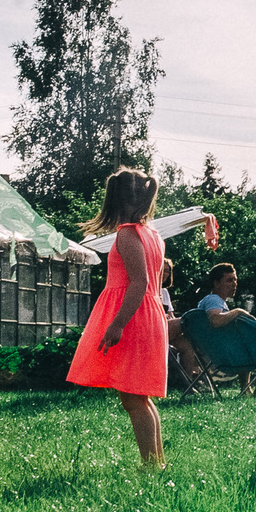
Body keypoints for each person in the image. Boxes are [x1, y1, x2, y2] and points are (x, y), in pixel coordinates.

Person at [66, 167, 170, 467]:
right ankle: (157, 463)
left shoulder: (127, 234)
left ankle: (152, 465)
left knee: (133, 399)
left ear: (118, 200)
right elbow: (156, 285)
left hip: (134, 318)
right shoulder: (153, 235)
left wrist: (117, 324)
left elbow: (139, 283)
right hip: (149, 316)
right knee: (140, 398)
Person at [189, 262, 256, 395]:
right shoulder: (214, 300)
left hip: (222, 353)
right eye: (229, 280)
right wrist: (238, 311)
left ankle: (245, 388)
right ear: (216, 283)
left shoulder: (208, 301)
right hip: (228, 356)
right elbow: (215, 320)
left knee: (243, 341)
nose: (234, 284)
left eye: (235, 280)